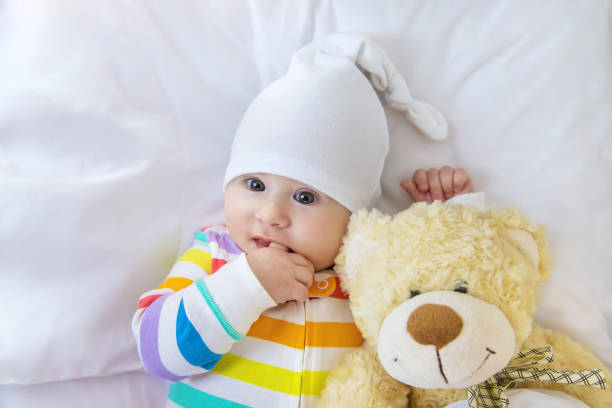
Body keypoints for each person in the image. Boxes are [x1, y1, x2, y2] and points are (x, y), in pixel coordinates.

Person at [132, 32, 473, 408]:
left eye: (305, 197)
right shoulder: (218, 255)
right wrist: (245, 286)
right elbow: (158, 355)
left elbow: (437, 317)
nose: (271, 214)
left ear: (353, 216)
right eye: (255, 183)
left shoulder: (366, 272)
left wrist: (445, 216)